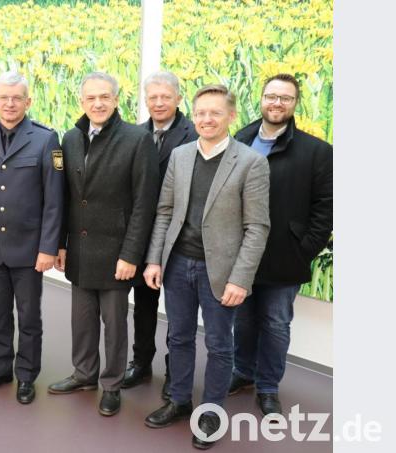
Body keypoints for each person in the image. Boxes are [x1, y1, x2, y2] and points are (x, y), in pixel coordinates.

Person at [142, 85, 270, 450]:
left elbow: (257, 227)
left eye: (215, 113)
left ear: (231, 116)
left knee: (218, 344)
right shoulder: (181, 156)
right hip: (178, 264)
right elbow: (164, 211)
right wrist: (154, 259)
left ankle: (211, 412)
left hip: (222, 271)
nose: (207, 119)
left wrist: (241, 279)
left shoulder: (250, 162)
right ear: (193, 115)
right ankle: (180, 401)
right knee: (178, 336)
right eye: (201, 113)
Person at [49, 72, 159, 416]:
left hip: (116, 254)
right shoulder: (71, 138)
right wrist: (62, 243)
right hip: (80, 250)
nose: (98, 104)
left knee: (114, 325)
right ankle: (84, 374)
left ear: (116, 100)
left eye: (104, 97)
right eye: (91, 98)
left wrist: (131, 255)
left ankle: (111, 385)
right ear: (82, 102)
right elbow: (66, 196)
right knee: (81, 320)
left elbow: (144, 204)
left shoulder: (137, 140)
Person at [229, 73, 333, 417]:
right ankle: (242, 372)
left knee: (275, 322)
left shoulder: (317, 151)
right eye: (271, 96)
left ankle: (269, 386)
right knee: (243, 320)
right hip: (242, 255)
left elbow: (326, 207)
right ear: (261, 99)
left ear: (294, 104)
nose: (276, 103)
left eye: (285, 98)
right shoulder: (240, 139)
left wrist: (303, 248)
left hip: (284, 255)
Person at [0, 71, 64, 404]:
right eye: (3, 97)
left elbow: (54, 200)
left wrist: (49, 247)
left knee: (30, 316)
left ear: (27, 101)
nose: (9, 103)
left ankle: (26, 375)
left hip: (30, 249)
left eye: (16, 98)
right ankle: (0, 368)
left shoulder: (45, 139)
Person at [123, 71, 198, 399]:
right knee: (143, 304)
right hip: (144, 234)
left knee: (180, 311)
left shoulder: (194, 134)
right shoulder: (136, 135)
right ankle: (141, 363)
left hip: (181, 236)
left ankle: (175, 371)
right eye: (152, 97)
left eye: (165, 97)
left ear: (178, 99)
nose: (158, 102)